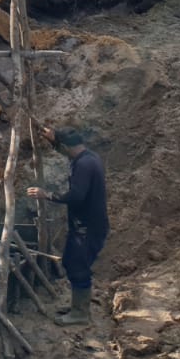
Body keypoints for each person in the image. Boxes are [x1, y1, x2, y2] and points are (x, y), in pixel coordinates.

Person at [27, 127, 109, 326]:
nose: (58, 152)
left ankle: (81, 313)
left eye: (59, 148)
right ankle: (78, 307)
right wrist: (53, 136)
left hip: (87, 227)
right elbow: (62, 143)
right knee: (72, 262)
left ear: (65, 147)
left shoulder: (83, 165)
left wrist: (47, 195)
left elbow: (76, 196)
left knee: (77, 266)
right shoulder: (89, 157)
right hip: (88, 223)